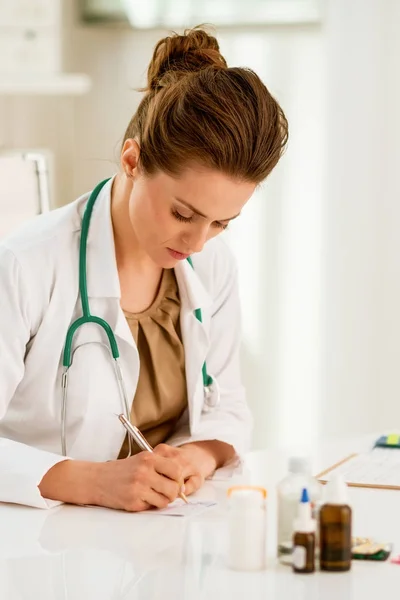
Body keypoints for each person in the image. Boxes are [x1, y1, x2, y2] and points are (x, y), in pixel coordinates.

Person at [0, 27, 288, 511]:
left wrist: (193, 459)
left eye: (222, 222)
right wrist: (93, 482)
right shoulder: (26, 265)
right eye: (182, 213)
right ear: (132, 160)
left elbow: (229, 408)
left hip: (160, 535)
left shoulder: (211, 265)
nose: (196, 242)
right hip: (41, 546)